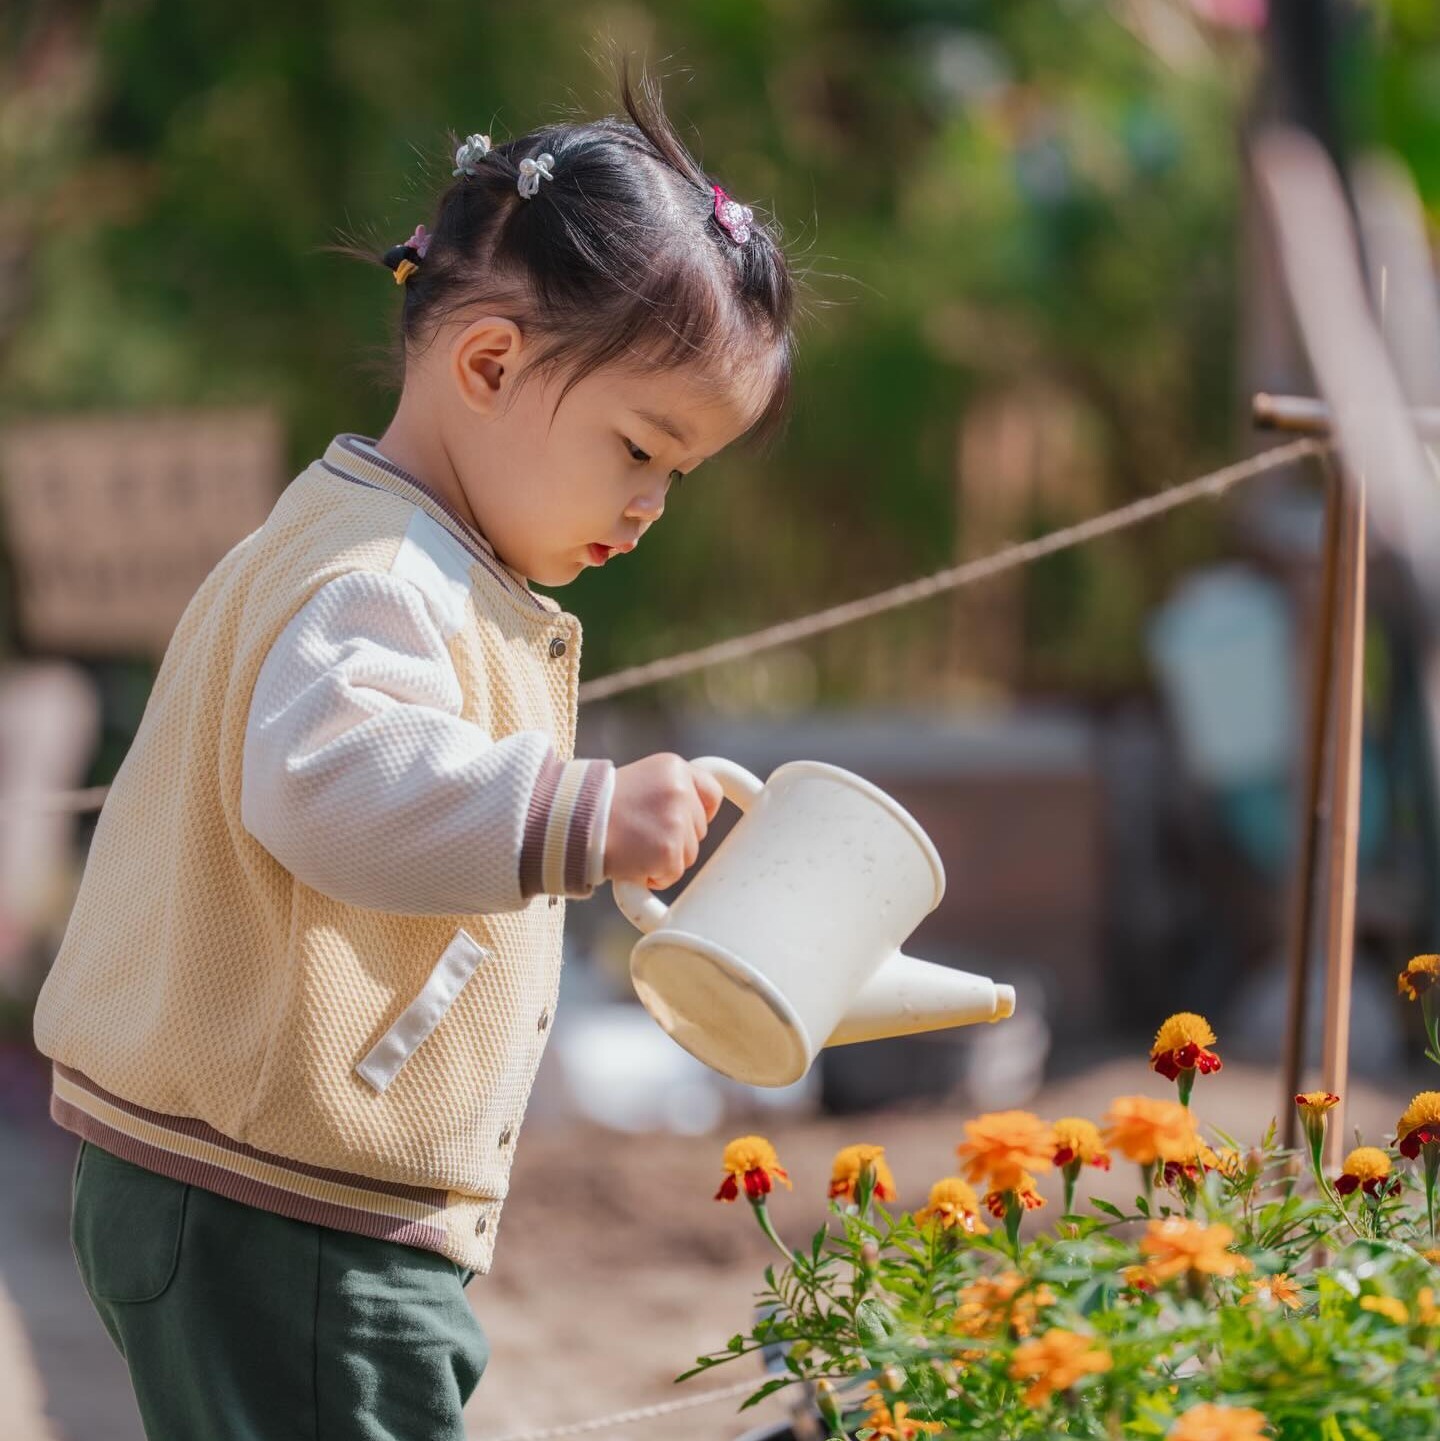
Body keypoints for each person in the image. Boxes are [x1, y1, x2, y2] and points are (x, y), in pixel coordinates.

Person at [31, 64, 798, 1441]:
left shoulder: (397, 546)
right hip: (283, 1209)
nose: (652, 502)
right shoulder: (382, 570)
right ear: (491, 364)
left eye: (681, 471)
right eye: (640, 444)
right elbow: (328, 785)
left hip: (273, 1198)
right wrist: (578, 813)